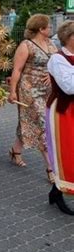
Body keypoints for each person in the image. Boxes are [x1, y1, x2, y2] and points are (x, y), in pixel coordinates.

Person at [8, 14, 57, 181]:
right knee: (43, 125)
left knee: (28, 122)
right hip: (29, 90)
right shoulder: (26, 45)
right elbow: (16, 70)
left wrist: (51, 76)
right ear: (41, 29)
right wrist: (12, 91)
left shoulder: (51, 44)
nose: (51, 29)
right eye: (48, 27)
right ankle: (51, 168)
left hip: (47, 91)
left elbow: (55, 64)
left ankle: (15, 151)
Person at [46, 21, 74, 215]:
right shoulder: (57, 59)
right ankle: (59, 191)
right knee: (67, 153)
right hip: (63, 111)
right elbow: (68, 86)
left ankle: (55, 192)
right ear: (69, 37)